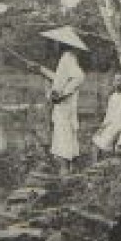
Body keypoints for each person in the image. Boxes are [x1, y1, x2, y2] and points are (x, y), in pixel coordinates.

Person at [38, 26, 88, 173]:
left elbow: (79, 77)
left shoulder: (67, 57)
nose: (54, 45)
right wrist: (40, 70)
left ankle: (65, 176)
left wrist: (62, 94)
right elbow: (60, 79)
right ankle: (71, 174)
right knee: (67, 141)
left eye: (56, 42)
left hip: (64, 108)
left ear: (62, 43)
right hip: (65, 108)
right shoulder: (69, 57)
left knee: (64, 143)